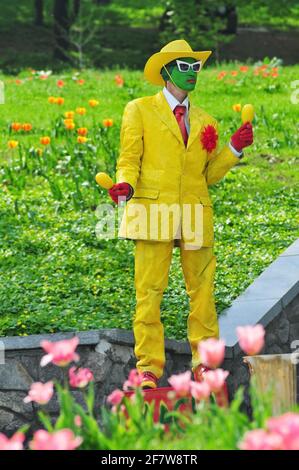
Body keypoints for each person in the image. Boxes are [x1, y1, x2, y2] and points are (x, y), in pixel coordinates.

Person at [108, 39, 253, 389]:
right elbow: (129, 158)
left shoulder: (206, 121)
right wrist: (124, 184)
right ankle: (148, 368)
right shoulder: (139, 109)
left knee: (203, 290)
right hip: (152, 208)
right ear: (166, 72)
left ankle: (205, 363)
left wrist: (233, 148)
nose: (191, 74)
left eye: (195, 67)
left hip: (195, 211)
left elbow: (209, 174)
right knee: (149, 291)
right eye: (184, 67)